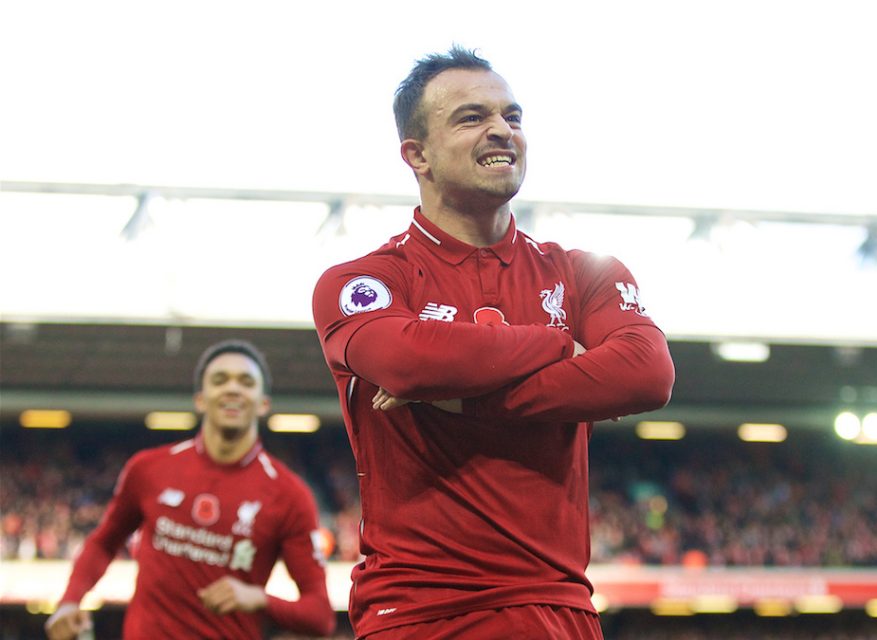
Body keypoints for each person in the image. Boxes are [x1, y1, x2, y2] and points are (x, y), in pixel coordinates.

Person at [312, 46, 675, 639]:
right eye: (471, 117)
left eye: (513, 116)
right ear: (417, 155)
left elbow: (646, 373)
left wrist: (468, 397)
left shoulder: (584, 273)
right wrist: (563, 347)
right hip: (422, 612)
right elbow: (407, 361)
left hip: (560, 608)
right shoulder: (364, 282)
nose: (501, 130)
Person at [45, 340, 337, 640]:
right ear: (200, 398)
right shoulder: (148, 469)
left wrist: (259, 598)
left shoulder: (289, 495)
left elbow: (320, 616)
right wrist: (69, 602)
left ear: (263, 403)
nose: (233, 389)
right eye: (220, 380)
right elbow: (104, 543)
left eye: (246, 382)